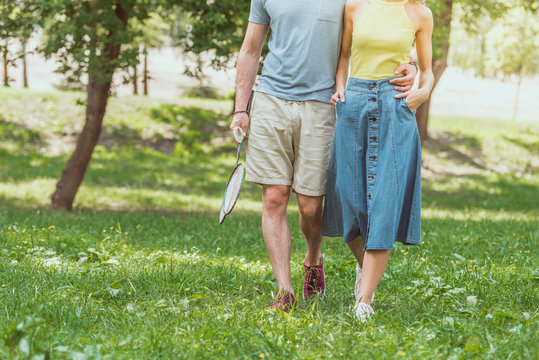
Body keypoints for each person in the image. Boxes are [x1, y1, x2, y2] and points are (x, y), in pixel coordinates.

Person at [231, 0, 417, 312]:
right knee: (274, 197)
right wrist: (240, 108)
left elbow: (388, 25)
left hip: (324, 104)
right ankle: (284, 291)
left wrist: (413, 66)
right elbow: (250, 49)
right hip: (271, 99)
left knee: (311, 203)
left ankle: (314, 257)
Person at [321, 0, 434, 321]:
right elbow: (343, 57)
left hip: (394, 105)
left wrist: (422, 92)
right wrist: (340, 91)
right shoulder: (355, 6)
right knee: (347, 197)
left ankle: (364, 301)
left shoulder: (419, 13)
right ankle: (364, 265)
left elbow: (426, 71)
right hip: (353, 104)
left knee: (385, 202)